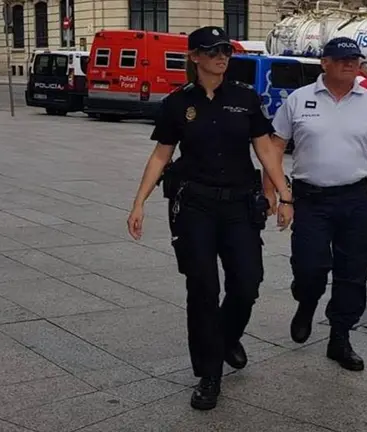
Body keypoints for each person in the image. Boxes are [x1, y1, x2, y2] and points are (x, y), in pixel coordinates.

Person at [126, 26, 292, 411]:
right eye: (212, 50)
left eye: (225, 50)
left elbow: (266, 150)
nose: (221, 56)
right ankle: (209, 373)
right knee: (202, 288)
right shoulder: (177, 103)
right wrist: (139, 202)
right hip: (195, 206)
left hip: (238, 205)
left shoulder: (246, 99)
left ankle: (226, 336)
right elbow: (161, 155)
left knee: (248, 281)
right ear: (194, 57)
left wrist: (285, 194)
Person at [264, 37, 367, 371]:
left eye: (354, 58)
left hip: (354, 198)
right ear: (324, 62)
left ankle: (340, 337)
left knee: (354, 272)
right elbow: (274, 147)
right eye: (341, 59)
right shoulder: (299, 99)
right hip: (310, 199)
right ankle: (306, 303)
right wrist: (278, 195)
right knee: (310, 268)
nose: (349, 63)